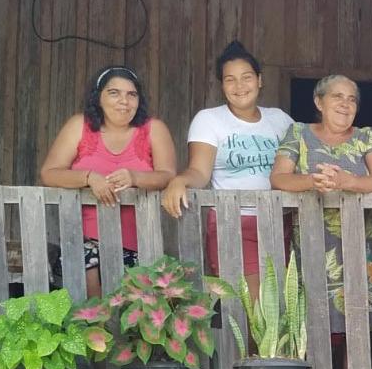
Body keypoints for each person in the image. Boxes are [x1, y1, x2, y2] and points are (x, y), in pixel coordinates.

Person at [270, 74, 372, 369]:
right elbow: (279, 178)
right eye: (337, 96)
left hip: (357, 246)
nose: (345, 104)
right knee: (311, 317)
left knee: (356, 319)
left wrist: (347, 182)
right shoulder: (299, 133)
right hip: (310, 243)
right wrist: (313, 181)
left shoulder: (367, 137)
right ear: (318, 101)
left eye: (352, 99)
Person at [163, 41, 293, 294]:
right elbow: (200, 172)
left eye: (246, 77)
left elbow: (299, 166)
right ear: (222, 85)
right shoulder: (210, 120)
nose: (239, 86)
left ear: (259, 80)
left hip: (280, 221)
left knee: (281, 303)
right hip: (233, 223)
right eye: (230, 79)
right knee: (252, 308)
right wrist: (180, 180)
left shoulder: (280, 120)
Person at [39, 65, 177, 298]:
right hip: (84, 239)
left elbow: (168, 175)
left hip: (140, 242)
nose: (124, 101)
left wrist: (135, 177)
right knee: (93, 308)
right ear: (98, 97)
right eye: (114, 93)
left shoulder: (154, 129)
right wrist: (88, 177)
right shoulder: (79, 126)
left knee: (132, 317)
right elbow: (49, 173)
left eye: (131, 94)